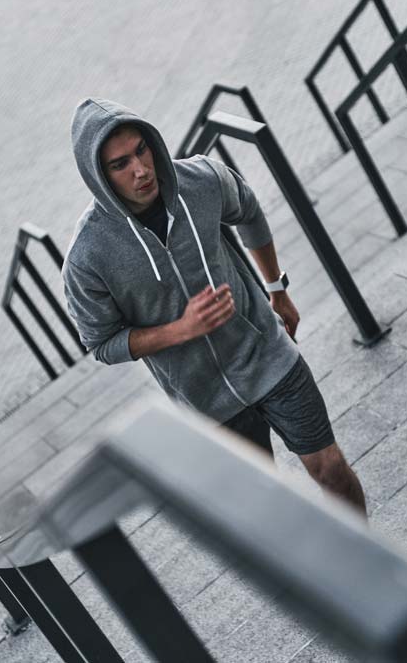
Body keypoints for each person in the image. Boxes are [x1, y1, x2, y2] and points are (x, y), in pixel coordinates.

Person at [61, 98, 366, 513]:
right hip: (204, 400)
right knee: (266, 508)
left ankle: (366, 568)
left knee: (330, 469)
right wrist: (180, 330)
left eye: (141, 150)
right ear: (99, 176)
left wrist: (277, 287)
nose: (141, 169)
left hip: (268, 354)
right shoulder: (88, 257)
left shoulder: (200, 179)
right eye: (120, 164)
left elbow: (250, 210)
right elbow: (101, 344)